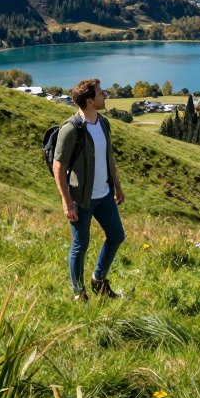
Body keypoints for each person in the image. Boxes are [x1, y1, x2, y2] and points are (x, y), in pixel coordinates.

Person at [53, 78, 126, 301]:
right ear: (88, 100)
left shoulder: (103, 123)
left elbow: (108, 157)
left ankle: (98, 279)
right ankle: (78, 292)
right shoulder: (71, 129)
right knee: (80, 245)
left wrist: (118, 187)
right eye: (100, 92)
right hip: (81, 199)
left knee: (116, 236)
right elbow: (58, 167)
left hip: (104, 195)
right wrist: (67, 203)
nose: (105, 94)